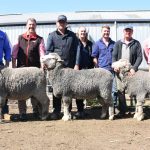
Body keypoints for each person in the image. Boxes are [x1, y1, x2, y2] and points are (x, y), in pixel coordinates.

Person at [46, 15, 80, 120]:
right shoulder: (51, 35)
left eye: (63, 22)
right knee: (56, 90)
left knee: (68, 90)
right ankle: (56, 111)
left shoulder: (72, 35)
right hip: (56, 69)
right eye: (59, 22)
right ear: (56, 23)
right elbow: (48, 52)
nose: (61, 23)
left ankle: (68, 112)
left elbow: (78, 49)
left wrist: (77, 64)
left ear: (66, 23)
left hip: (69, 67)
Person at [12, 18, 46, 121]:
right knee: (20, 91)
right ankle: (22, 113)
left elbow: (42, 54)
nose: (31, 26)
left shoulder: (40, 39)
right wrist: (13, 68)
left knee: (35, 91)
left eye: (33, 25)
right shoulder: (19, 38)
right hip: (21, 69)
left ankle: (36, 111)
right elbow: (14, 54)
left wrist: (42, 67)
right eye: (29, 24)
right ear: (26, 26)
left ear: (36, 26)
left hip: (34, 71)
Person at [112, 25, 143, 117]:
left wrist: (134, 68)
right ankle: (123, 111)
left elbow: (139, 57)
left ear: (132, 32)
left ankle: (137, 110)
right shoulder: (118, 43)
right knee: (120, 91)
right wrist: (115, 66)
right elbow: (114, 56)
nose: (128, 32)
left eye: (130, 31)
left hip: (131, 71)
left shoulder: (136, 43)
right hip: (119, 71)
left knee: (134, 90)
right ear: (123, 31)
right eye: (126, 31)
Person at [91, 25, 117, 114]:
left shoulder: (114, 43)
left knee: (113, 90)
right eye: (104, 31)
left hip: (112, 70)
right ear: (101, 32)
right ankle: (104, 108)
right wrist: (97, 68)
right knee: (101, 92)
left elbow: (116, 56)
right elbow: (94, 57)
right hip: (102, 72)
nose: (106, 32)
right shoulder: (97, 43)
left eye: (107, 31)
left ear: (109, 32)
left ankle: (113, 108)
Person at [74, 26, 94, 118]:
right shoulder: (75, 42)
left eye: (84, 31)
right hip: (78, 70)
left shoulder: (90, 43)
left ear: (86, 33)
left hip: (88, 69)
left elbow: (93, 56)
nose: (83, 33)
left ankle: (83, 110)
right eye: (81, 31)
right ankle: (80, 110)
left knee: (86, 90)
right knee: (78, 90)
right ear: (78, 33)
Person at [0, 30, 11, 121]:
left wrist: (7, 62)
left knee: (3, 87)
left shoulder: (2, 34)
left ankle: (4, 112)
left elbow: (7, 48)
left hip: (0, 65)